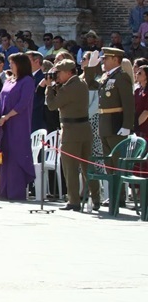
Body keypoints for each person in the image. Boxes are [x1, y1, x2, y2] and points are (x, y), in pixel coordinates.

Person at [82, 47, 136, 207]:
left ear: (115, 59)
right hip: (104, 124)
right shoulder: (106, 77)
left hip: (116, 124)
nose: (103, 61)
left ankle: (119, 198)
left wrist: (127, 125)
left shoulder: (122, 77)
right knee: (109, 165)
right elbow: (91, 84)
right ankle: (114, 196)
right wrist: (90, 67)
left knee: (117, 163)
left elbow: (128, 103)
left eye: (106, 58)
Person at [45, 60, 95, 211]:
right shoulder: (81, 83)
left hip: (71, 130)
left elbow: (52, 105)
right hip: (84, 128)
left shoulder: (69, 87)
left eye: (59, 73)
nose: (56, 76)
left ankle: (73, 200)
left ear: (68, 72)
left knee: (70, 167)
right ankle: (96, 197)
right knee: (88, 167)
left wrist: (49, 88)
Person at [0, 53, 36, 201]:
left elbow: (23, 103)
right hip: (4, 124)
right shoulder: (8, 81)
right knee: (4, 155)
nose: (10, 66)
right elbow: (1, 100)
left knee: (16, 154)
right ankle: (4, 190)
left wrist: (8, 115)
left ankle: (16, 192)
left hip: (18, 123)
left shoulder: (27, 81)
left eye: (12, 63)